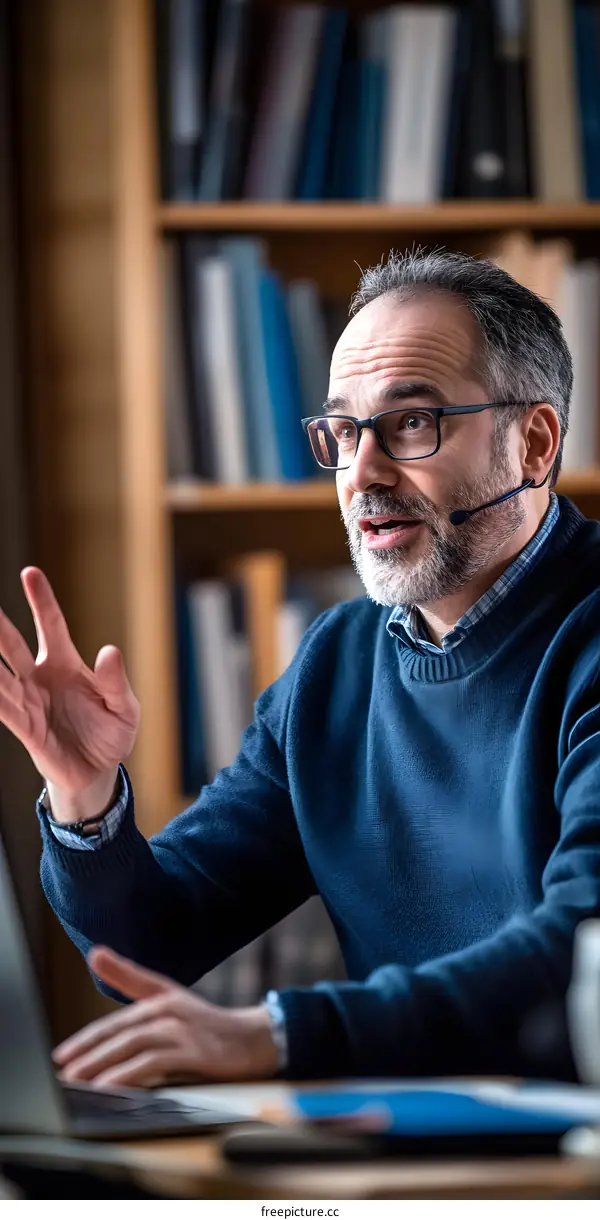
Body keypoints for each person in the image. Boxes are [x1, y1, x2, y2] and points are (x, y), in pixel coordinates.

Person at [4, 247, 600, 1089]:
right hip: (405, 1150)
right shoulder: (336, 664)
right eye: (342, 432)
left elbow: (585, 953)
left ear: (533, 443)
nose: (362, 472)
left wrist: (283, 1036)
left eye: (412, 423)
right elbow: (147, 949)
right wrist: (85, 794)